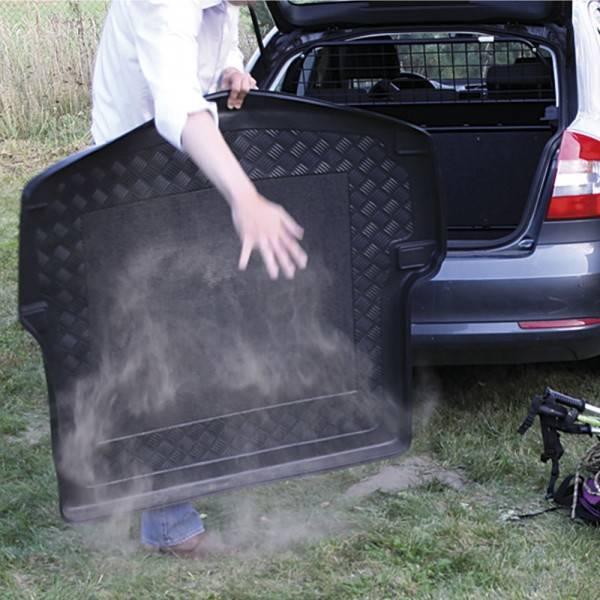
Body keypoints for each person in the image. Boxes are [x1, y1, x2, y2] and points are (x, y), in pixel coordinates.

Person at [91, 0, 308, 557]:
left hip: (181, 178)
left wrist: (232, 68)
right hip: (129, 189)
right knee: (166, 346)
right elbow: (178, 104)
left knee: (200, 333)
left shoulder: (221, 5)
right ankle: (168, 526)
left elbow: (213, 51)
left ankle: (183, 485)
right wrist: (245, 197)